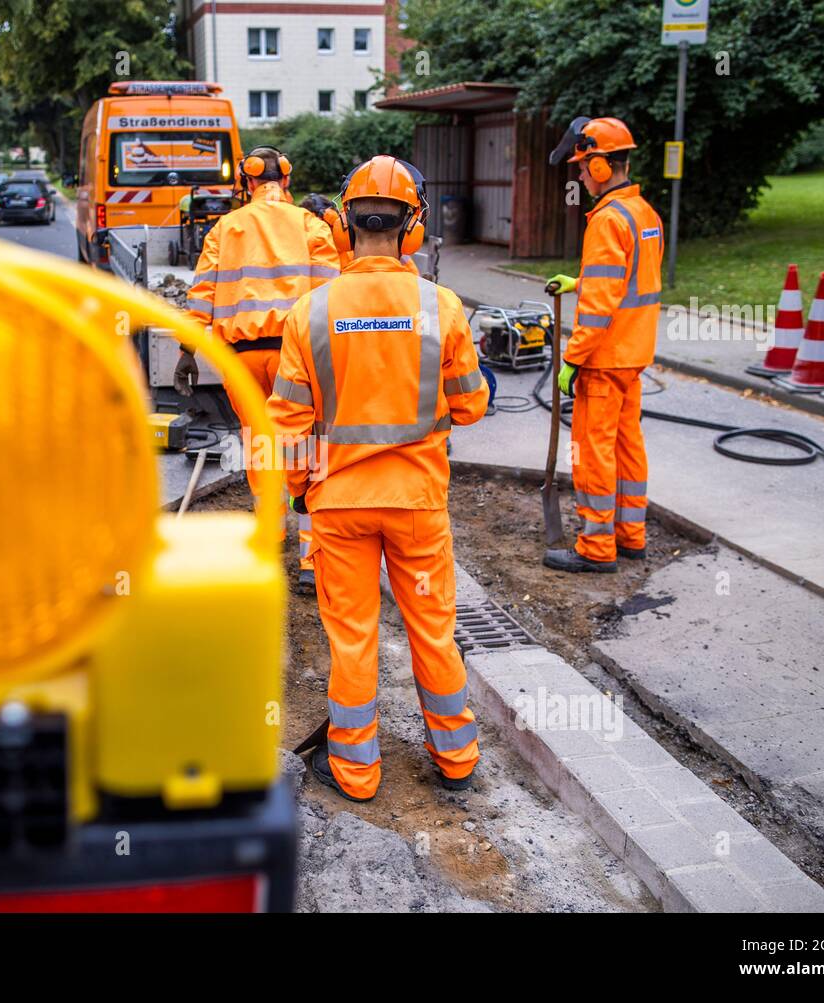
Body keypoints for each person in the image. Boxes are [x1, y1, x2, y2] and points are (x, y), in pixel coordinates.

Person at [267, 156, 489, 802]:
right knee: (431, 628)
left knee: (354, 636)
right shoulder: (441, 307)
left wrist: (302, 491)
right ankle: (456, 756)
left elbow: (288, 425)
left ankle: (356, 770)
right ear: (411, 228)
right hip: (417, 505)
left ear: (342, 222)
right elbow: (471, 405)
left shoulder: (310, 313)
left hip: (340, 509)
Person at [179, 148, 339, 593]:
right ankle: (311, 560)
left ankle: (268, 543)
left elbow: (202, 295)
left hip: (242, 359)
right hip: (298, 359)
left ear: (247, 183)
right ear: (286, 181)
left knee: (261, 448)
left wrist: (186, 350)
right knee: (307, 451)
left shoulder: (225, 228)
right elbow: (332, 295)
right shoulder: (311, 225)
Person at [542, 117, 664, 573]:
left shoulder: (608, 220)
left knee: (594, 451)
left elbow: (600, 306)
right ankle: (632, 536)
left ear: (598, 166)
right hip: (632, 356)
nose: (577, 175)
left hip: (603, 358)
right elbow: (629, 282)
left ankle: (596, 547)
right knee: (628, 445)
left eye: (580, 167)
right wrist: (579, 281)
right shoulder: (643, 213)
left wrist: (572, 360)